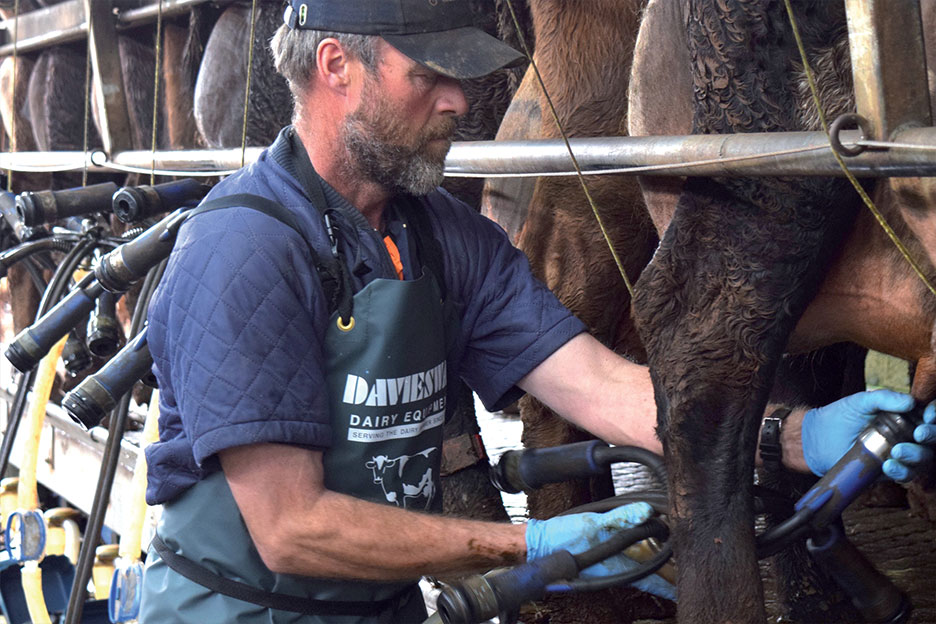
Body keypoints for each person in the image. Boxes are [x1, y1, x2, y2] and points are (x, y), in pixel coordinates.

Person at [137, 1, 936, 621]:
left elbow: (604, 390)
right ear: (336, 65)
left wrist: (797, 435)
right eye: (430, 76)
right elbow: (291, 527)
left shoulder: (442, 238)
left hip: (380, 608)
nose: (459, 101)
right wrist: (529, 544)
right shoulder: (243, 249)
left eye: (466, 75)